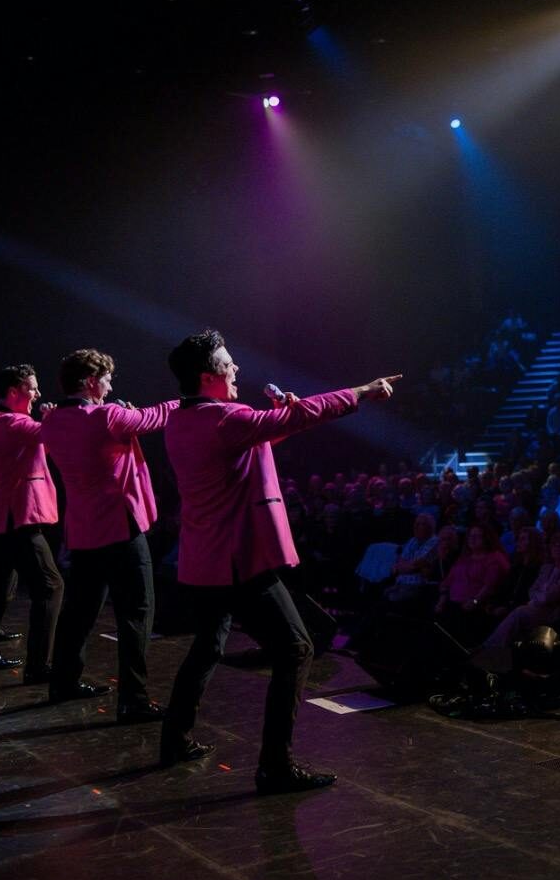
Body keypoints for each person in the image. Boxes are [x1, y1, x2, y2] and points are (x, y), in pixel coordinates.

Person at [160, 328, 398, 793]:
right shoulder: (227, 420)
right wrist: (361, 392)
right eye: (229, 365)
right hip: (238, 558)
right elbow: (294, 418)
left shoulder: (184, 421)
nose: (236, 370)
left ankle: (174, 738)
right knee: (296, 648)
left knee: (207, 646)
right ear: (209, 376)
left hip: (206, 560)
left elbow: (247, 444)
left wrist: (276, 418)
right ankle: (275, 765)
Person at [40, 349, 177, 717]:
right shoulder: (108, 416)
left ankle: (64, 682)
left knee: (80, 611)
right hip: (120, 527)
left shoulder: (51, 422)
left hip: (83, 531)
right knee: (136, 612)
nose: (111, 384)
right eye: (107, 378)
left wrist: (122, 418)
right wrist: (189, 402)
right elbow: (154, 416)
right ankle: (133, 699)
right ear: (90, 382)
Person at [0, 364, 69, 686]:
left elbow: (39, 446)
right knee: (51, 587)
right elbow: (53, 434)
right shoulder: (11, 422)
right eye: (32, 388)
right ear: (13, 392)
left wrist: (46, 422)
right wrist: (55, 417)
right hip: (16, 519)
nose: (38, 394)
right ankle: (38, 666)